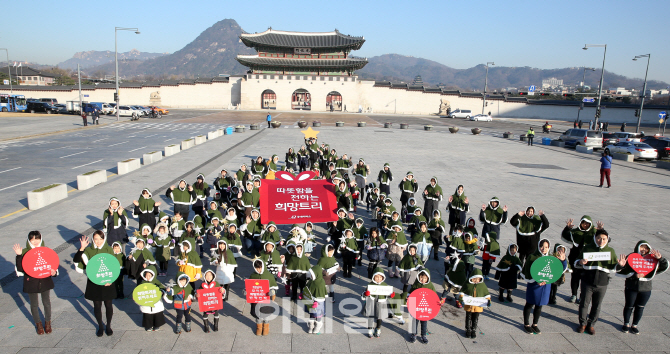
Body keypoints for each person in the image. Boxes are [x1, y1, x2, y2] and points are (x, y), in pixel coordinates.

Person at [617, 241, 667, 334]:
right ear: (637, 247)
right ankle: (626, 324)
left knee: (640, 307)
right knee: (629, 306)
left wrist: (660, 258)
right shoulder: (631, 256)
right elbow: (622, 271)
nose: (643, 250)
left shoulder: (652, 259)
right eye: (641, 247)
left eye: (646, 248)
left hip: (646, 288)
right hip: (631, 287)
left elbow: (663, 267)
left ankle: (634, 325)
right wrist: (634, 275)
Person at [13, 231, 57, 335]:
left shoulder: (46, 250)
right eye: (33, 240)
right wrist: (19, 256)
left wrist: (54, 272)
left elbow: (53, 265)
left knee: (46, 302)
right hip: (31, 282)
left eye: (37, 239)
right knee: (34, 304)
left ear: (40, 239)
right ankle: (39, 325)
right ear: (29, 240)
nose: (35, 241)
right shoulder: (24, 251)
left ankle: (48, 323)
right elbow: (20, 269)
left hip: (45, 280)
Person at [74, 231, 116, 337]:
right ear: (93, 239)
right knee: (97, 305)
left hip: (108, 281)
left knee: (108, 305)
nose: (98, 241)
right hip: (94, 282)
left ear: (104, 239)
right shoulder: (89, 250)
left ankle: (108, 325)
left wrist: (111, 280)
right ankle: (100, 327)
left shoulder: (109, 249)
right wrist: (82, 248)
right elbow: (76, 260)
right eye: (96, 239)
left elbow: (114, 265)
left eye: (101, 239)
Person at [521, 238, 567, 334]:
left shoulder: (552, 257)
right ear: (538, 247)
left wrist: (563, 260)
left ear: (549, 247)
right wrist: (535, 280)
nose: (543, 249)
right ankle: (526, 324)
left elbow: (559, 269)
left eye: (546, 247)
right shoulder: (532, 257)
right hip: (534, 285)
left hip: (546, 286)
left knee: (539, 305)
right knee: (529, 303)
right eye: (542, 246)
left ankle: (535, 324)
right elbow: (526, 272)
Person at [576, 230, 617, 335]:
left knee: (597, 305)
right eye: (599, 238)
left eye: (604, 239)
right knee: (584, 303)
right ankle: (582, 323)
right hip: (587, 281)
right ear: (595, 238)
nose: (601, 241)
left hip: (602, 283)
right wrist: (580, 262)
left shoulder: (610, 251)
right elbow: (576, 262)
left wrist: (620, 265)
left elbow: (614, 267)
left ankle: (591, 324)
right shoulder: (588, 248)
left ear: (607, 239)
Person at [561, 216, 603, 303]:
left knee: (585, 279)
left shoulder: (594, 232)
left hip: (588, 259)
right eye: (584, 223)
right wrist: (567, 228)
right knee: (575, 277)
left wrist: (600, 230)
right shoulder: (576, 231)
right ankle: (574, 294)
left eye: (587, 223)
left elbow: (606, 239)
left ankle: (582, 296)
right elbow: (565, 235)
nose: (585, 225)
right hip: (575, 258)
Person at [459, 269, 491, 338]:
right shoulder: (467, 284)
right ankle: (468, 329)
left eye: (478, 279)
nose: (476, 281)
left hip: (478, 306)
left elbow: (486, 294)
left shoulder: (482, 285)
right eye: (474, 279)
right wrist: (461, 299)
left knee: (475, 318)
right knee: (468, 317)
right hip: (469, 305)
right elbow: (462, 292)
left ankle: (473, 330)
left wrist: (488, 301)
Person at [249, 259, 278, 335]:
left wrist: (272, 291)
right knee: (257, 313)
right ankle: (259, 327)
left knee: (266, 313)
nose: (259, 270)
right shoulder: (253, 275)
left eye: (260, 267)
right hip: (256, 299)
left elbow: (274, 287)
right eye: (257, 268)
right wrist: (246, 291)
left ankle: (266, 327)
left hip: (266, 298)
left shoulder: (269, 275)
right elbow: (249, 287)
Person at [362, 267, 393, 338]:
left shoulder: (385, 285)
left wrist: (390, 295)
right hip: (371, 303)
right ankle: (370, 329)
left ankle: (378, 328)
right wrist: (365, 294)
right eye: (377, 277)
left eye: (380, 277)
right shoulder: (370, 285)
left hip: (381, 303)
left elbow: (387, 295)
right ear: (373, 277)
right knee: (371, 316)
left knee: (380, 317)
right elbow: (364, 294)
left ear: (383, 278)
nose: (378, 279)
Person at [407, 269, 436, 344]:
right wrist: (408, 296)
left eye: (425, 278)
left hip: (425, 309)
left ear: (428, 278)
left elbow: (434, 295)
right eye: (421, 278)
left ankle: (423, 335)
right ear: (418, 277)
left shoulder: (430, 285)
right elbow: (411, 291)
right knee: (415, 321)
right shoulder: (416, 284)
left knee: (424, 322)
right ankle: (414, 334)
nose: (423, 280)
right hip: (416, 307)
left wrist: (436, 302)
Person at [304, 265, 327, 334]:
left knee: (318, 315)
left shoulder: (321, 283)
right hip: (311, 301)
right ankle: (311, 326)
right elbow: (307, 288)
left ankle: (318, 326)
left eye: (312, 274)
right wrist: (303, 294)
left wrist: (317, 301)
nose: (310, 276)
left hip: (317, 303)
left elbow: (321, 294)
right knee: (311, 314)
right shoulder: (311, 281)